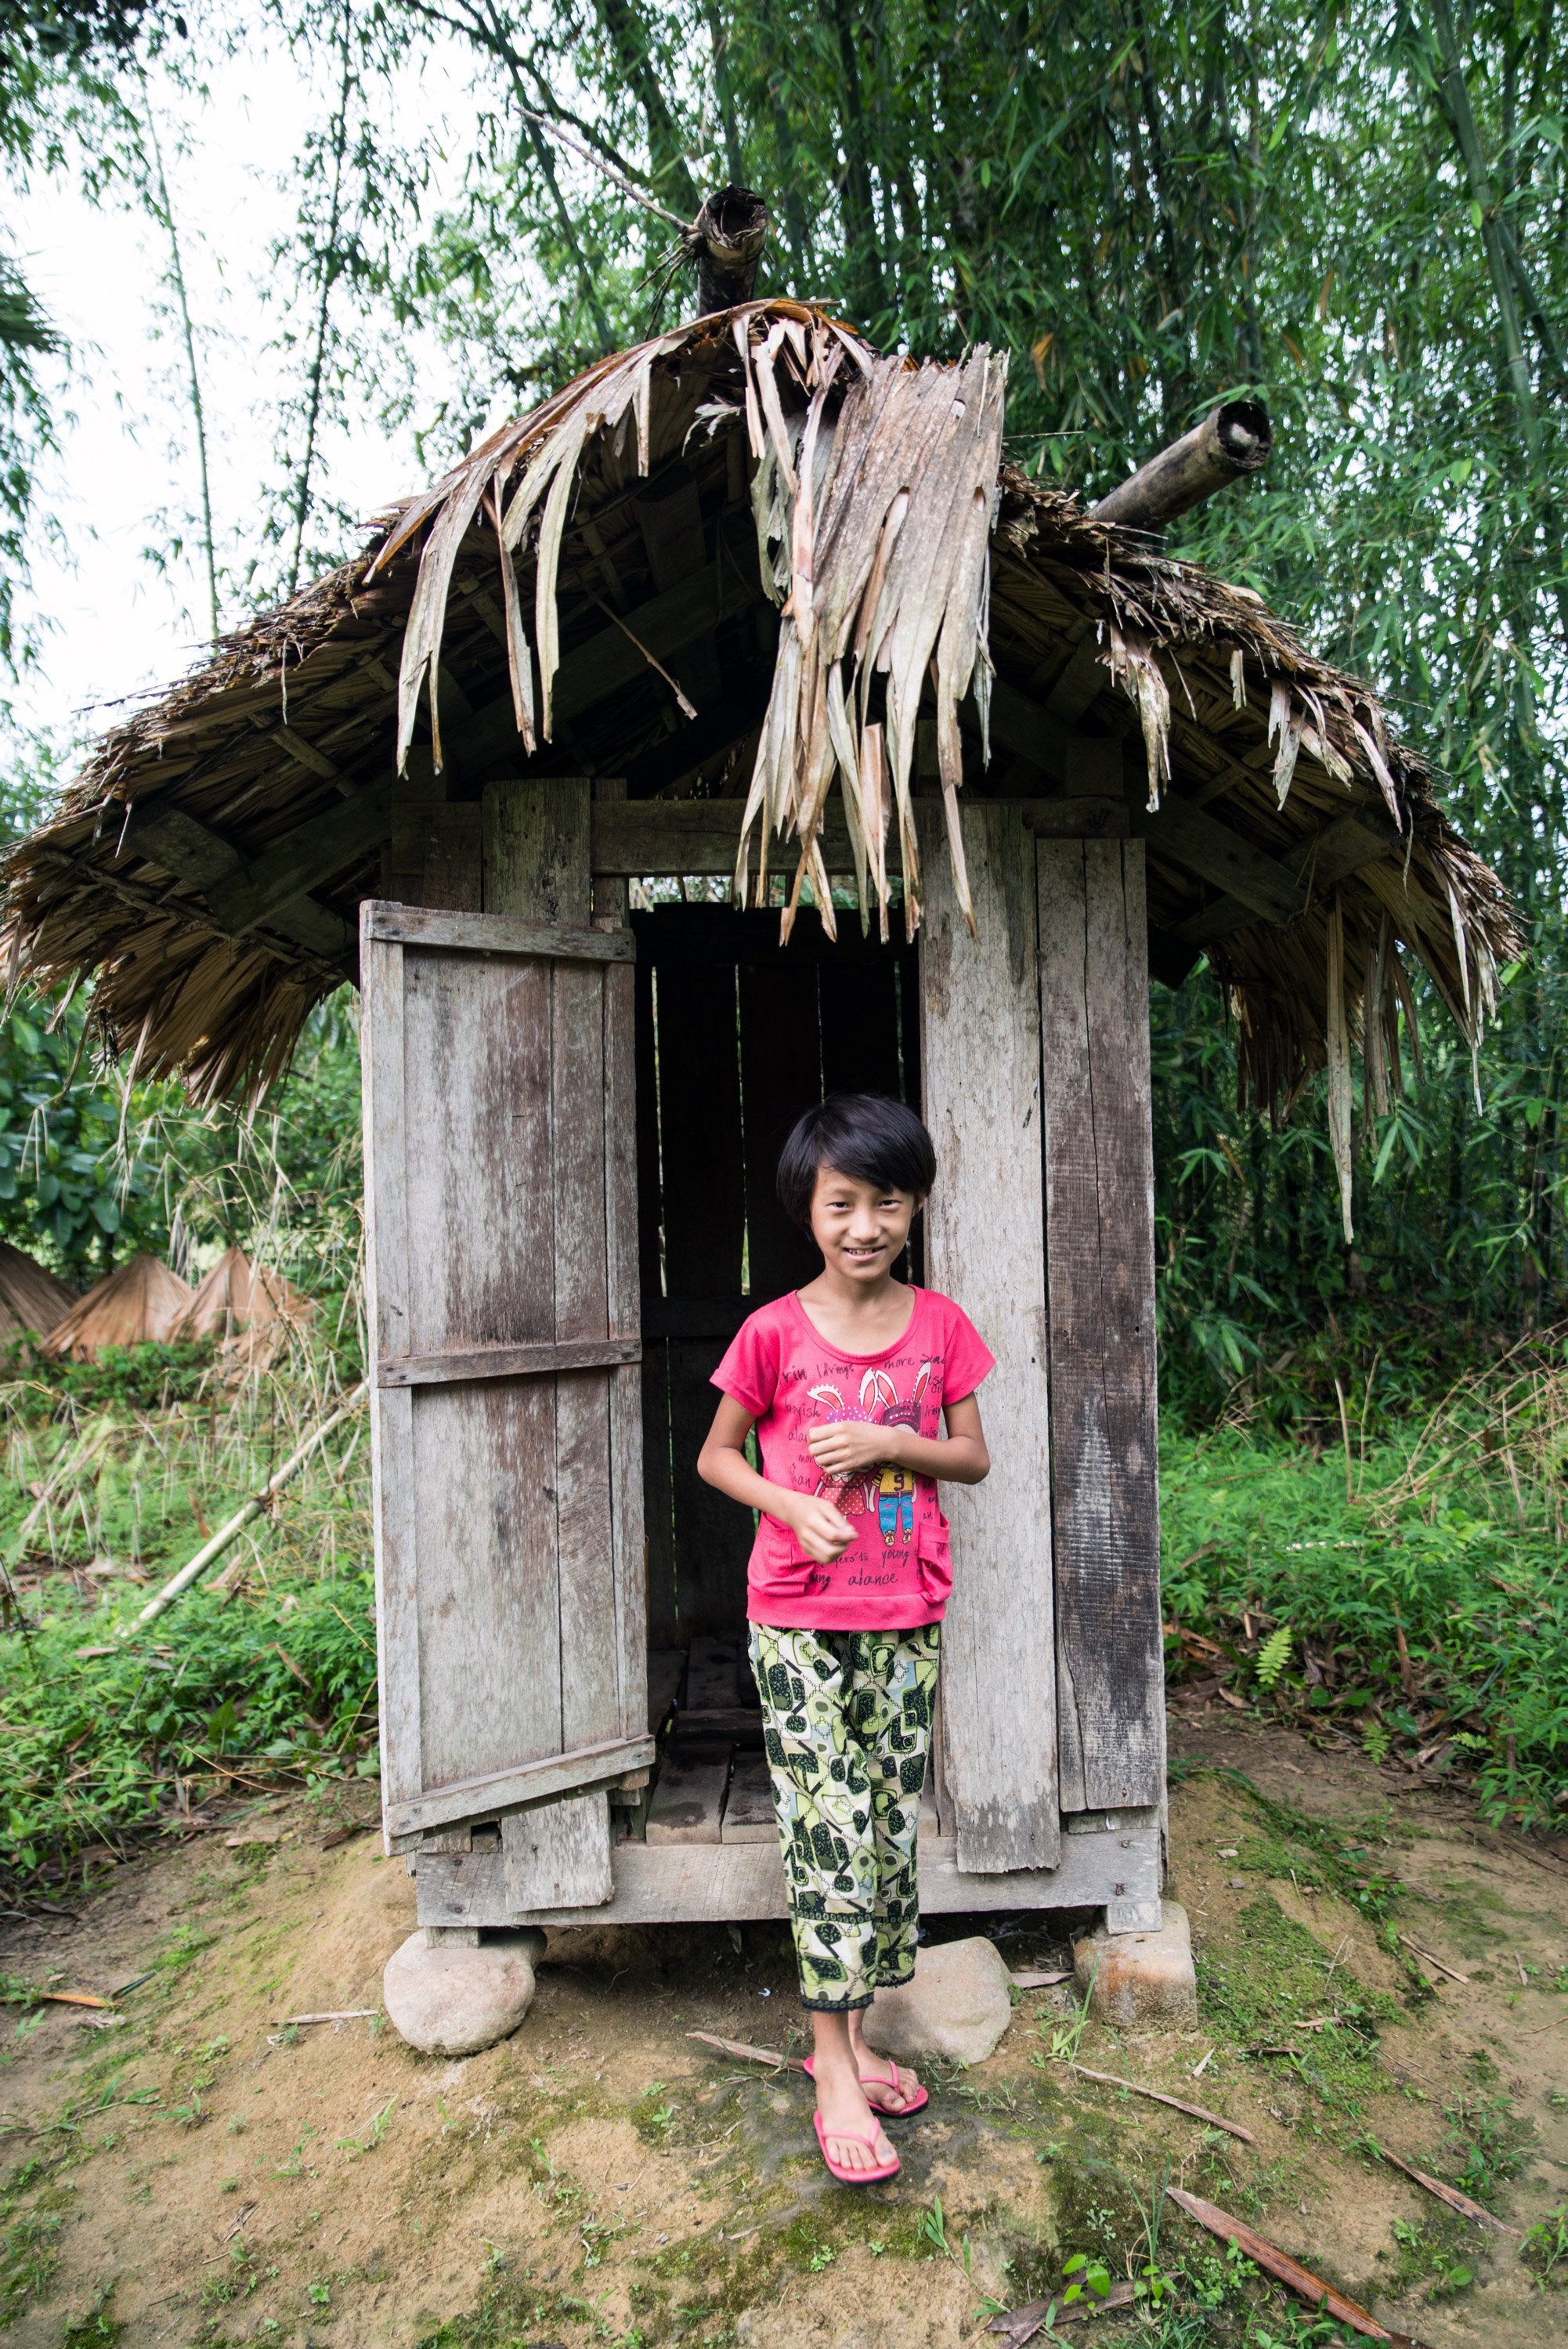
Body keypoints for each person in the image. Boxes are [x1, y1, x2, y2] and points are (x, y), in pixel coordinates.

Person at [696, 1092, 993, 2184]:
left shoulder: (941, 1324)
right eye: (841, 1203)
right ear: (805, 1209)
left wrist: (887, 1440)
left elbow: (971, 1459)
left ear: (912, 1207)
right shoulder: (771, 1331)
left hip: (906, 1613)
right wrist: (789, 1505)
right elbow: (717, 1459)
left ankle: (855, 2036)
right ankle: (830, 2067)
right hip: (795, 1618)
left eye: (886, 1202)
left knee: (879, 1830)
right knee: (822, 1831)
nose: (863, 1224)